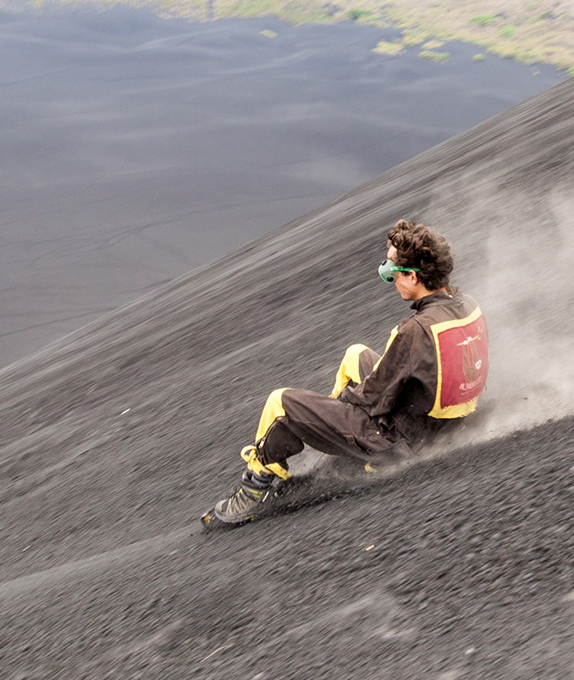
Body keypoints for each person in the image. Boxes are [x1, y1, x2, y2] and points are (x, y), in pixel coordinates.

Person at [201, 219, 488, 529]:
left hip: (401, 442)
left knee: (281, 403)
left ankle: (253, 489)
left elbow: (372, 398)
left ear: (412, 276)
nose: (391, 281)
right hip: (441, 424)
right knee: (356, 355)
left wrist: (330, 414)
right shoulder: (468, 305)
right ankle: (338, 449)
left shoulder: (414, 331)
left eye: (391, 273)